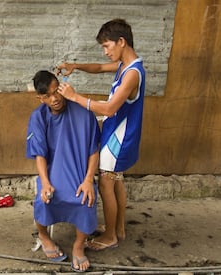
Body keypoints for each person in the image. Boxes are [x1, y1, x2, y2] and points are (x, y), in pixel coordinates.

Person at [57, 18, 146, 250]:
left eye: (107, 46)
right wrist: (75, 66)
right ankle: (119, 228)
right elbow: (97, 68)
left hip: (120, 138)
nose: (105, 52)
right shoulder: (126, 66)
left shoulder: (132, 74)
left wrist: (75, 97)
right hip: (119, 132)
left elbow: (109, 109)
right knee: (117, 181)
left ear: (121, 42)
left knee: (107, 183)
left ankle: (110, 236)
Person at [26, 70, 100, 272]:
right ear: (40, 98)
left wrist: (88, 180)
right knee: (44, 200)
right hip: (52, 172)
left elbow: (94, 151)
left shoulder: (83, 111)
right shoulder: (38, 117)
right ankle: (43, 236)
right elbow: (39, 154)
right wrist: (46, 182)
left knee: (86, 199)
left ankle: (78, 246)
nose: (55, 98)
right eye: (48, 96)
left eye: (56, 91)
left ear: (60, 86)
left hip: (79, 172)